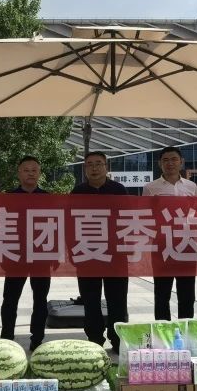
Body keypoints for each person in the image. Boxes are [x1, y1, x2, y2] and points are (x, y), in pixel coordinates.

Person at [72, 151, 128, 353]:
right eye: (90, 164)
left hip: (116, 255)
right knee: (90, 299)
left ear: (106, 167)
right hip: (87, 253)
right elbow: (70, 223)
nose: (94, 168)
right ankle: (95, 338)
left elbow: (128, 220)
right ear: (85, 168)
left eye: (98, 164)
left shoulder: (119, 190)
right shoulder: (77, 192)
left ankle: (118, 338)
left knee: (117, 300)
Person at [1, 156, 52, 350]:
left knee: (40, 300)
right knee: (10, 299)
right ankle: (7, 338)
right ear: (19, 173)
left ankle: (37, 338)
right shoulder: (9, 198)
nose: (30, 173)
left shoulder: (47, 198)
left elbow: (56, 227)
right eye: (26, 170)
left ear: (39, 173)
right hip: (15, 256)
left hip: (41, 256)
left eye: (34, 170)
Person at [143, 145, 197, 321]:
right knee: (162, 293)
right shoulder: (150, 188)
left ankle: (186, 328)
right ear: (160, 163)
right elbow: (146, 216)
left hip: (187, 244)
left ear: (181, 162)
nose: (170, 163)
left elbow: (195, 213)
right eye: (165, 160)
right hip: (162, 245)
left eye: (174, 159)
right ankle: (162, 331)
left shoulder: (191, 186)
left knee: (187, 294)